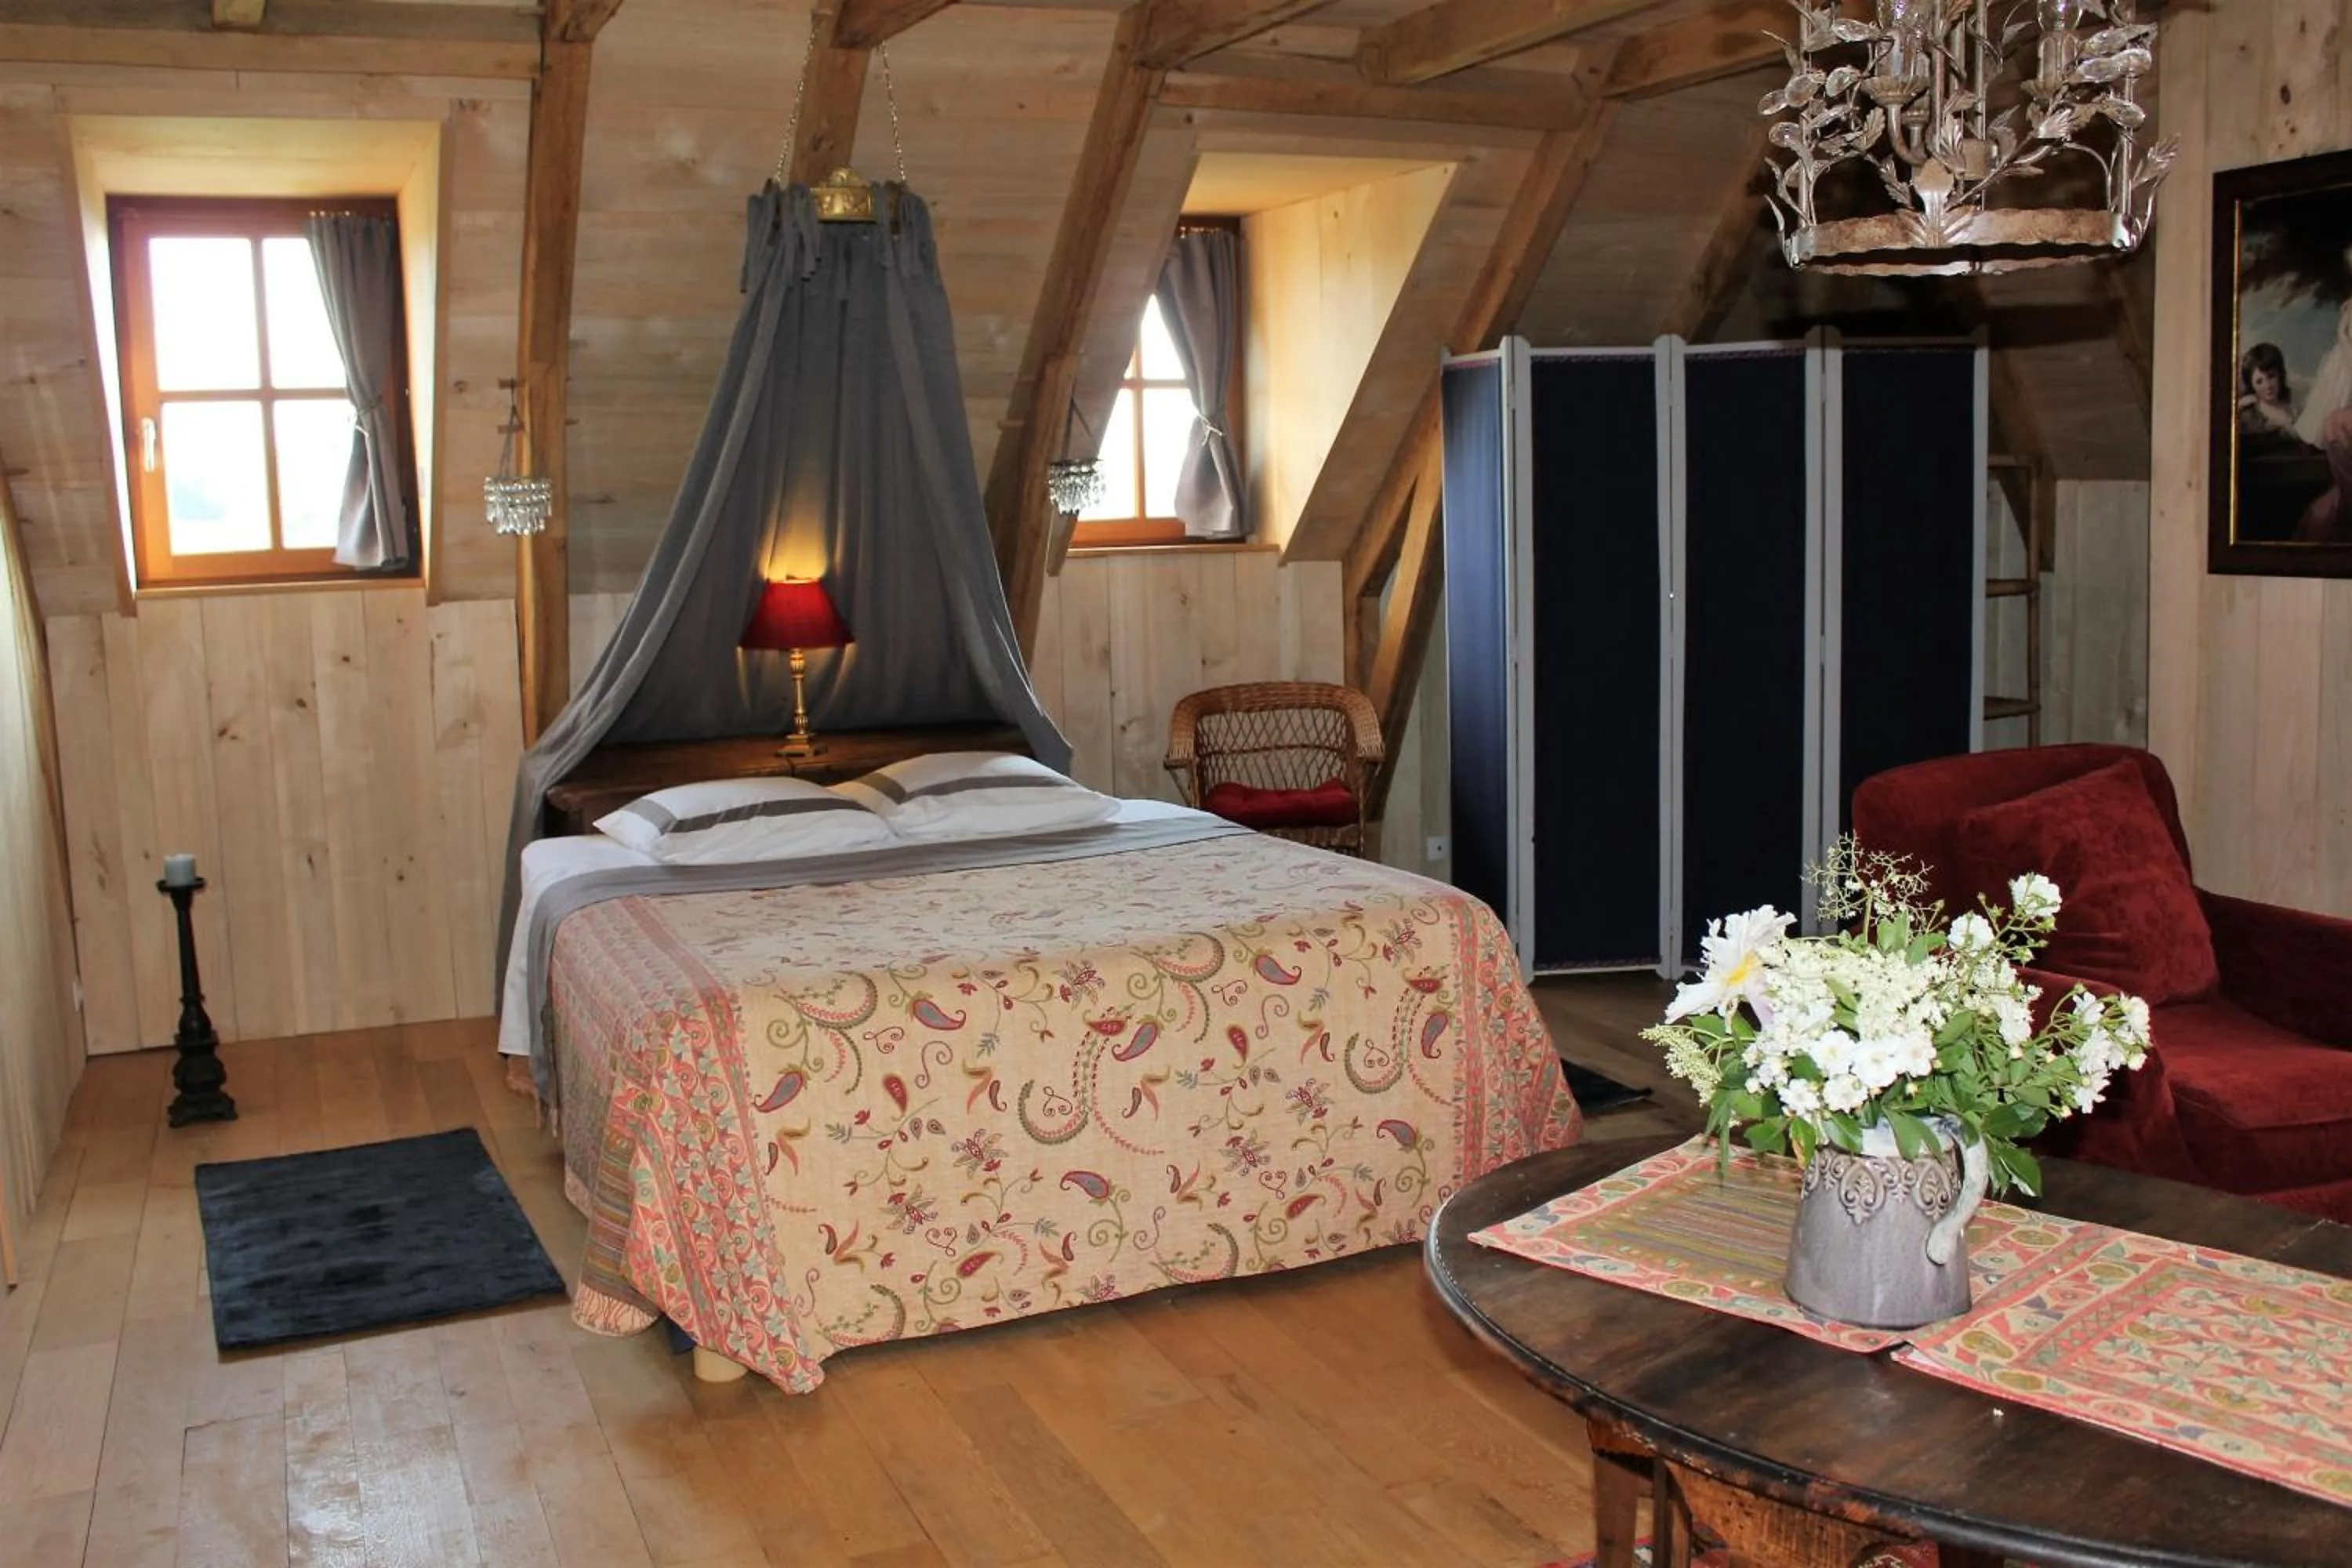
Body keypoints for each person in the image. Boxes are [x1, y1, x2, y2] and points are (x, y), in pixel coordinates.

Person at [2238, 342, 2299, 435]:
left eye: (2271, 376)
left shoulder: (2292, 410)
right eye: (2259, 382)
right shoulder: (2250, 415)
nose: (2268, 386)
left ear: (2280, 375)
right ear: (2251, 385)